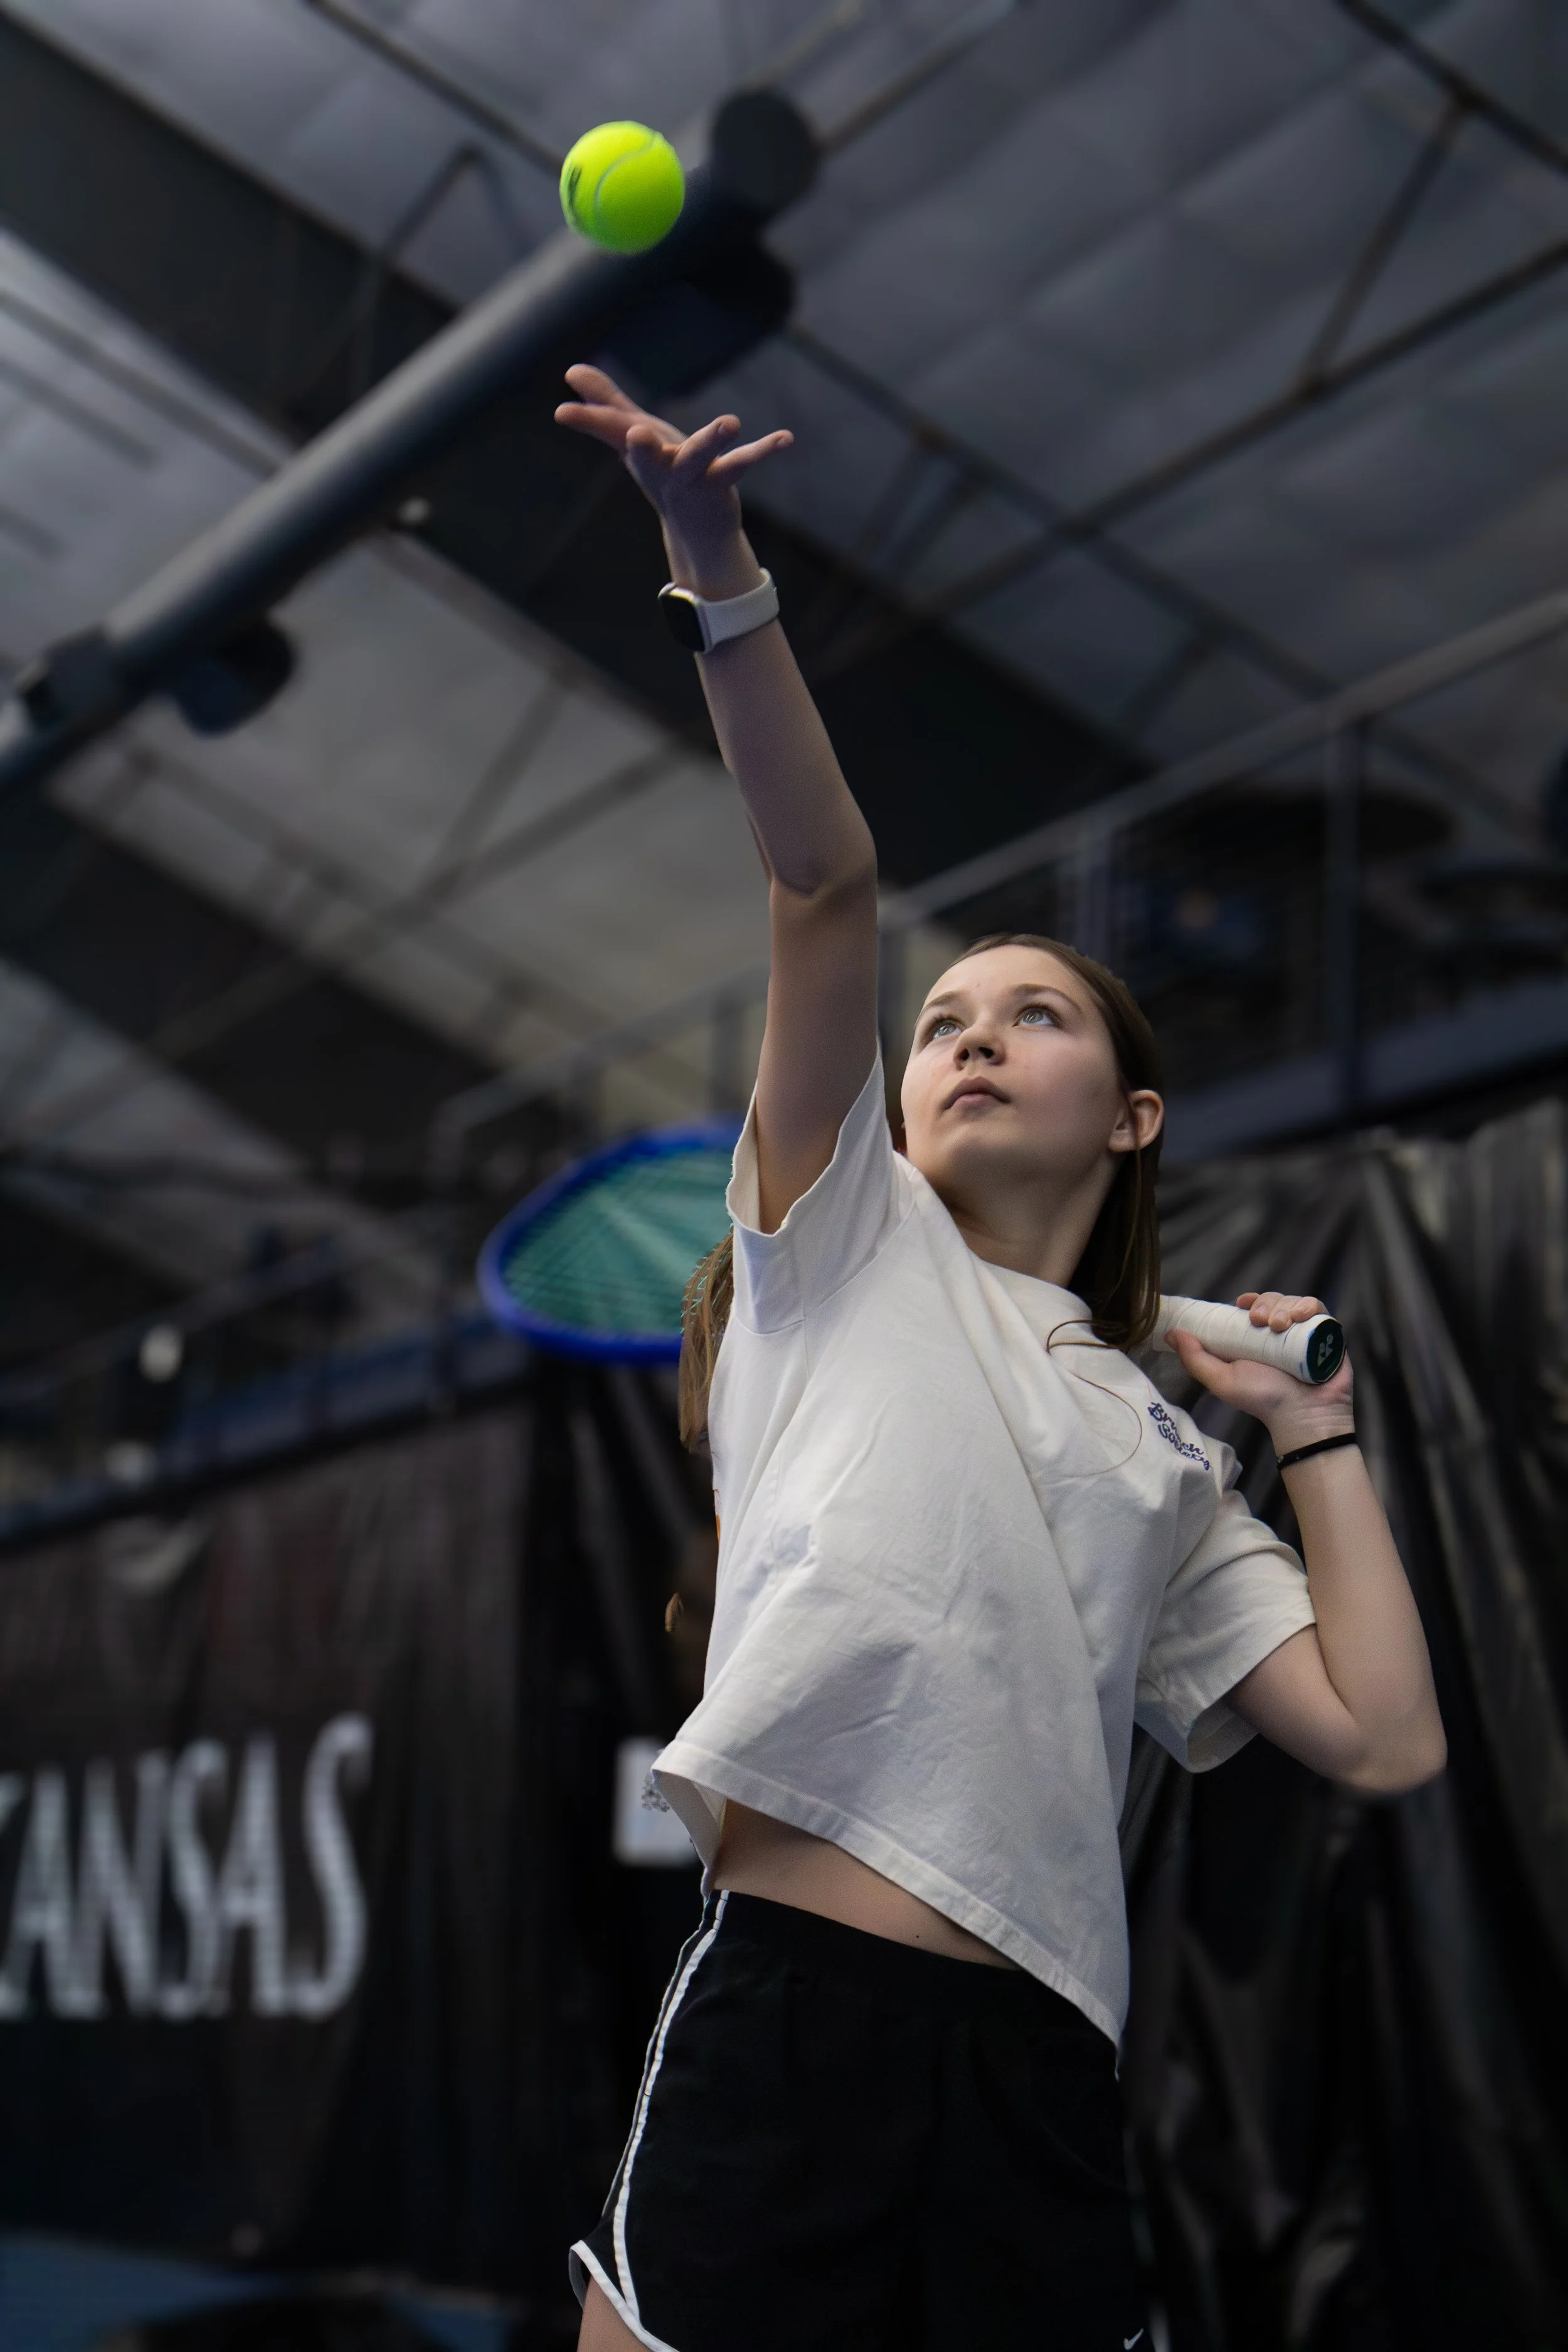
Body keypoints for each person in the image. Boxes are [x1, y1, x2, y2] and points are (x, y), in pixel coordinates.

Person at [554, 365, 1446, 2352]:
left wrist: (1313, 1431)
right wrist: (717, 572)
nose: (960, 1033)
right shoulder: (839, 1244)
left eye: (1029, 1014)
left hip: (1036, 2067)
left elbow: (1381, 1738)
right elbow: (820, 882)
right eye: (943, 1016)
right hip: (793, 2018)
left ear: (1130, 1114)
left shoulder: (1157, 1443)